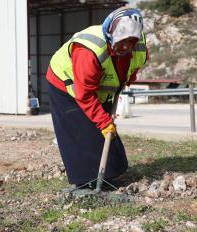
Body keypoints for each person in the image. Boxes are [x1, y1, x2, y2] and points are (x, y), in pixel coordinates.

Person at [46, 7, 148, 188]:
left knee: (106, 131)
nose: (127, 47)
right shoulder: (89, 50)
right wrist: (103, 122)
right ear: (111, 34)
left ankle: (111, 174)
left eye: (132, 41)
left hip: (98, 90)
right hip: (66, 86)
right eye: (122, 41)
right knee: (84, 132)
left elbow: (137, 63)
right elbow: (85, 95)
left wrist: (130, 76)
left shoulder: (139, 47)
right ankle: (87, 181)